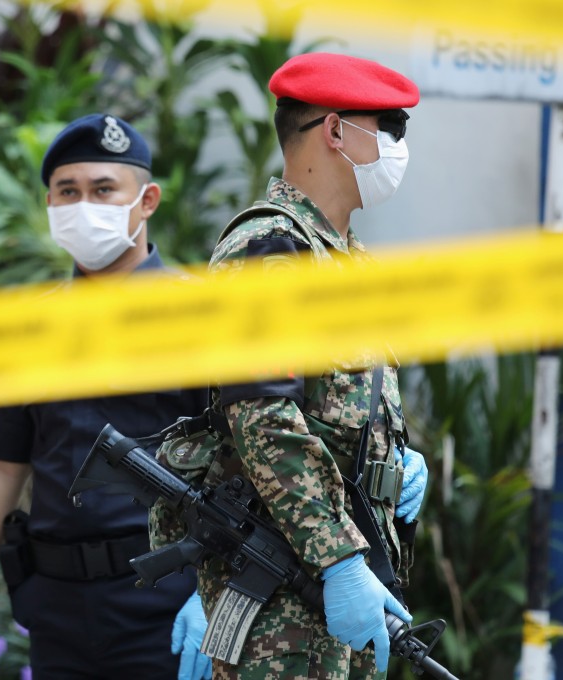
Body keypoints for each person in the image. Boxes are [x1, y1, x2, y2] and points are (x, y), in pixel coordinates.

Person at [161, 53, 431, 679]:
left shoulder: (344, 262)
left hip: (346, 589)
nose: (397, 145)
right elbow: (262, 415)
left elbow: (344, 412)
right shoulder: (268, 248)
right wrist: (338, 562)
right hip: (287, 601)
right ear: (336, 132)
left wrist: (399, 465)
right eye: (388, 125)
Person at [0, 113, 212, 680]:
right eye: (69, 191)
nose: (84, 204)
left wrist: (219, 593)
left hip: (168, 602)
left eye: (103, 189)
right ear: (50, 204)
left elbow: (256, 454)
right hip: (58, 612)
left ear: (147, 200)